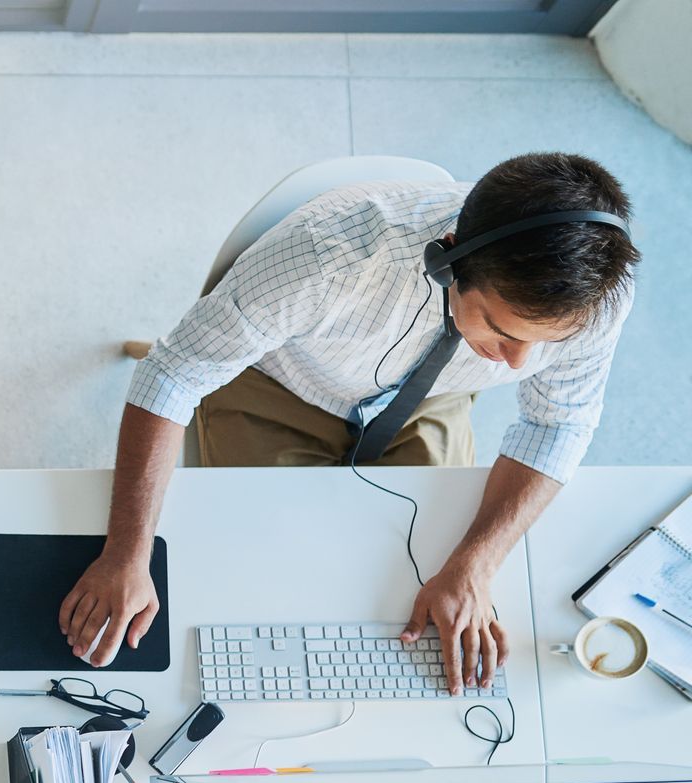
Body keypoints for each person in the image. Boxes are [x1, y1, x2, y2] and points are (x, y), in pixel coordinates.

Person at [61, 152, 640, 690]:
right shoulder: (325, 256)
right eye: (502, 330)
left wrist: (476, 566)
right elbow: (173, 375)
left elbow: (555, 425)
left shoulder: (597, 296)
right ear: (449, 258)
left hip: (431, 398)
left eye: (542, 344)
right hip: (282, 383)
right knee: (268, 571)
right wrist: (127, 553)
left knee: (410, 586)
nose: (520, 364)